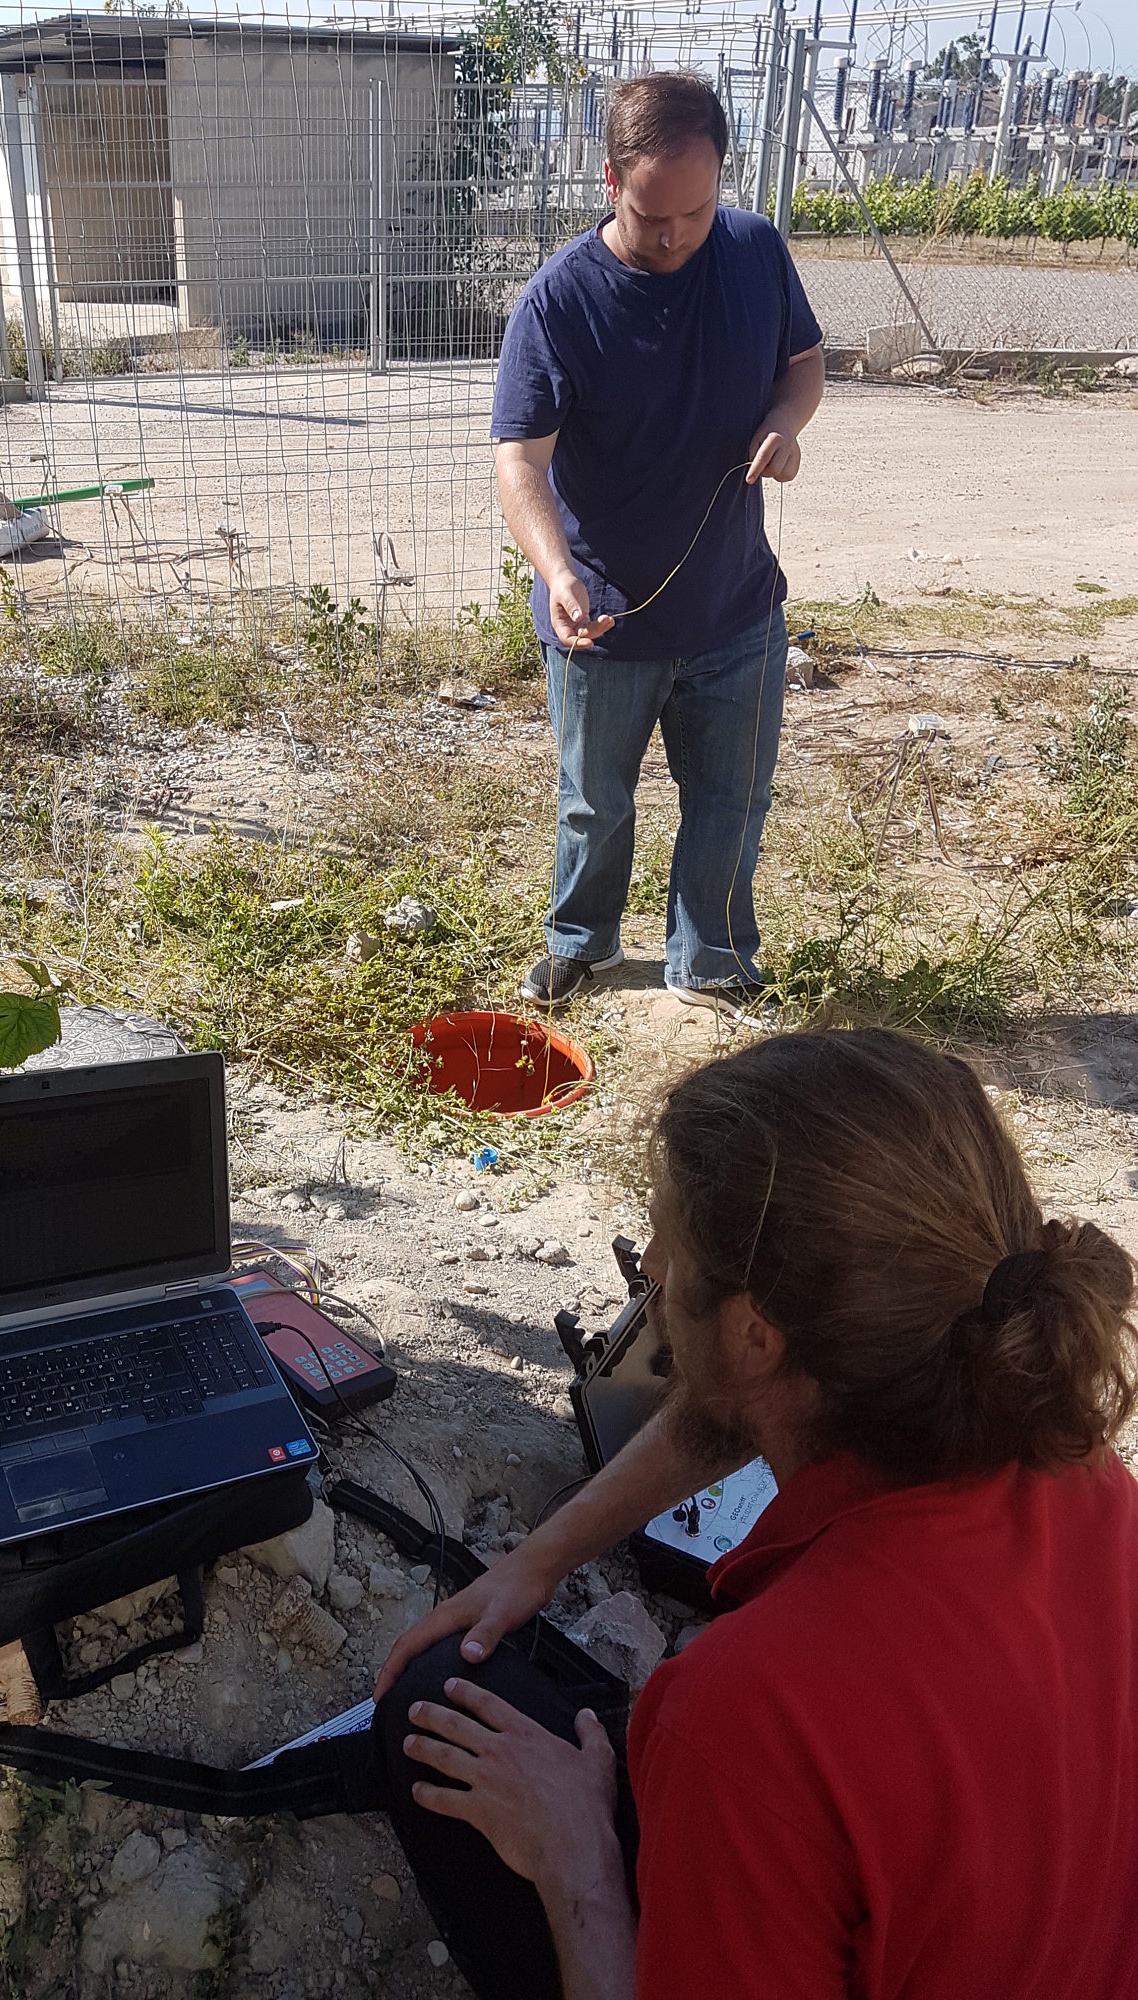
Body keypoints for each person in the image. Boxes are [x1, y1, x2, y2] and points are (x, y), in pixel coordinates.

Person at [371, 1028, 1138, 1999]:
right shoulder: (1086, 1478)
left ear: (754, 1333)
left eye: (667, 1242)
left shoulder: (747, 1713)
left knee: (429, 1703)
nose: (649, 1265)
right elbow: (746, 1397)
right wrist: (540, 1558)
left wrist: (581, 1862)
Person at [491, 72, 825, 1013]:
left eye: (698, 211)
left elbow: (804, 362)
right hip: (604, 620)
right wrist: (557, 572)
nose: (677, 236)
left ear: (722, 181)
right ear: (609, 180)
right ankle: (581, 941)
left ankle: (712, 959)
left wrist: (789, 424)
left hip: (737, 611)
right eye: (652, 217)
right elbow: (519, 461)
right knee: (595, 805)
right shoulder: (559, 304)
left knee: (732, 802)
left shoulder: (756, 253)